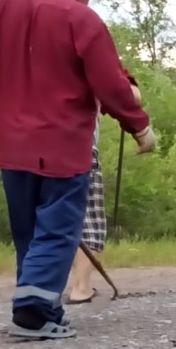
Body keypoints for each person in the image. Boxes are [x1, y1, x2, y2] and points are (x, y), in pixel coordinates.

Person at [0, 0, 155, 339]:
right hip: (62, 145)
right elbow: (110, 84)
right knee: (57, 230)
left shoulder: (0, 8)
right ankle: (33, 312)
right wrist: (140, 127)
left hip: (13, 144)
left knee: (29, 231)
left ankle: (46, 306)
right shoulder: (82, 18)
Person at [65, 69, 142, 304]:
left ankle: (36, 289)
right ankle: (81, 287)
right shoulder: (87, 48)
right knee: (90, 221)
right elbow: (131, 96)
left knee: (45, 220)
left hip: (24, 147)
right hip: (77, 146)